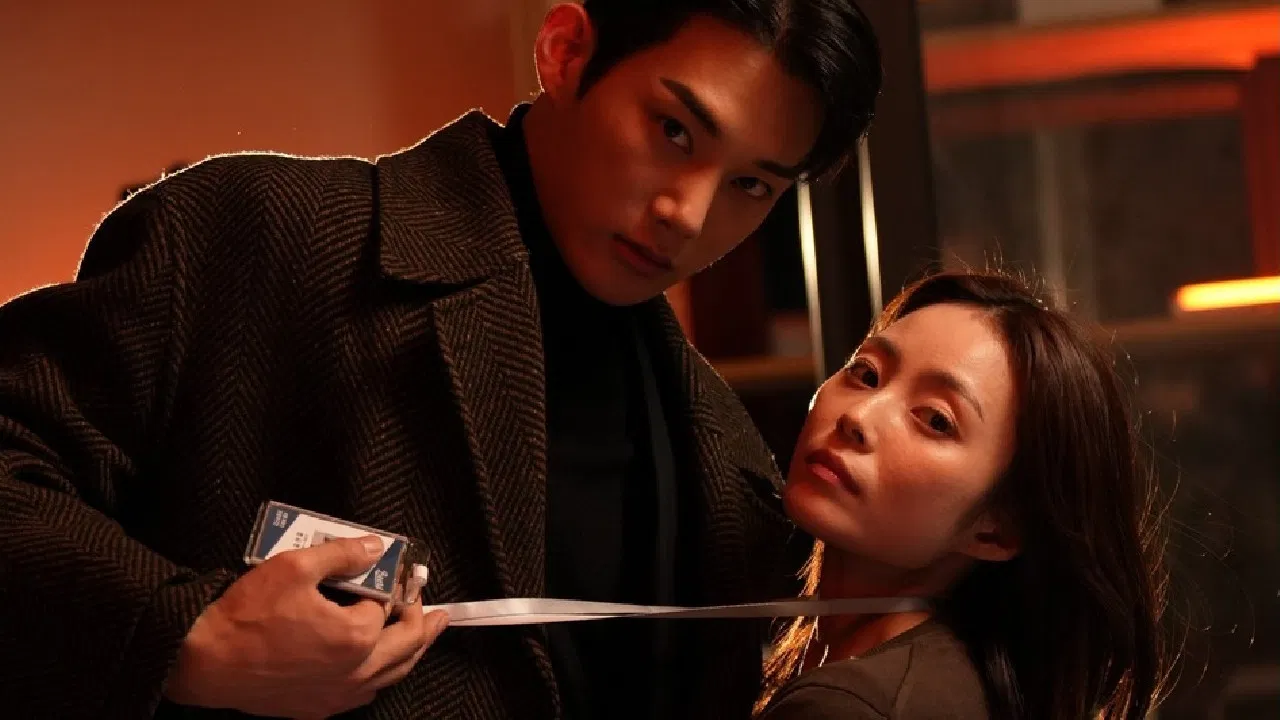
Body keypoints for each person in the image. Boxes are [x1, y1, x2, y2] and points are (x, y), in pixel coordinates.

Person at [0, 1, 880, 718]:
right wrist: (190, 640)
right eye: (674, 131)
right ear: (565, 51)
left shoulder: (730, 463)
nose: (688, 214)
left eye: (751, 184)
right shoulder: (255, 233)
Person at [754, 271, 1170, 719]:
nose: (858, 417)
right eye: (867, 374)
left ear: (997, 530)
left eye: (936, 420)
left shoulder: (851, 707)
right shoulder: (940, 673)